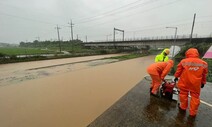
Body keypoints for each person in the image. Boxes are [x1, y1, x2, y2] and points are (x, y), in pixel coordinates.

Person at [174, 48, 208, 117]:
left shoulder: (184, 61)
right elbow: (204, 74)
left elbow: (179, 70)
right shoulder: (204, 63)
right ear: (197, 54)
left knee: (183, 95)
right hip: (195, 84)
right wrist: (203, 82)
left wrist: (176, 77)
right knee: (195, 97)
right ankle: (193, 113)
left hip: (184, 82)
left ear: (187, 53)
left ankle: (183, 107)